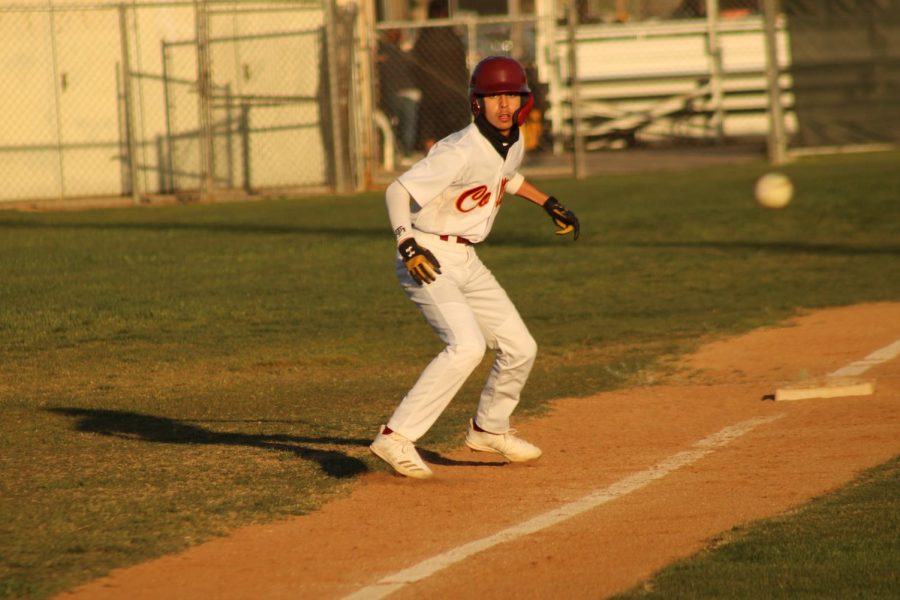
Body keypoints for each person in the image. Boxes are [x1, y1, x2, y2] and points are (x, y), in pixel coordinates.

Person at [369, 56, 581, 479]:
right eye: (493, 96)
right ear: (476, 103)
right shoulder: (458, 150)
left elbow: (505, 177)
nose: (503, 104)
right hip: (427, 253)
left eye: (512, 96)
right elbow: (397, 191)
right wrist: (406, 242)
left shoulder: (514, 139)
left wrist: (547, 202)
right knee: (466, 346)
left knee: (521, 347)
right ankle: (395, 436)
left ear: (524, 100)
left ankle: (489, 428)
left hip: (466, 257)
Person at [410, 0, 471, 152]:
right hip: (454, 92)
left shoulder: (424, 38)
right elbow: (462, 67)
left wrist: (421, 84)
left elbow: (415, 66)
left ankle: (432, 157)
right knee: (456, 131)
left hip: (431, 93)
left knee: (430, 130)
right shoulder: (453, 38)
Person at [376, 29, 420, 159]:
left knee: (393, 123)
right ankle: (406, 153)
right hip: (409, 93)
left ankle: (394, 152)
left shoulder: (383, 56)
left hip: (392, 94)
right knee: (409, 125)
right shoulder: (406, 55)